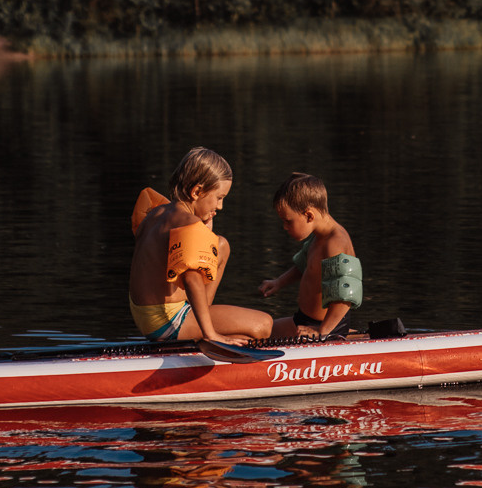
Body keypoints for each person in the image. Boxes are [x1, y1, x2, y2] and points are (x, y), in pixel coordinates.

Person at [129, 147, 274, 344]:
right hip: (168, 322)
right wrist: (211, 334)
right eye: (219, 198)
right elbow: (191, 280)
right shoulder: (188, 224)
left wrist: (203, 230)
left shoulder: (157, 213)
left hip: (146, 317)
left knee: (221, 245)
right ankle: (206, 332)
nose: (220, 206)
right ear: (197, 191)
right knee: (263, 326)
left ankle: (205, 326)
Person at [258, 172, 362, 340]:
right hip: (304, 321)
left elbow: (345, 297)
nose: (284, 227)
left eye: (288, 221)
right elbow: (304, 266)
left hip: (328, 329)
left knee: (257, 335)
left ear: (309, 215)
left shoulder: (335, 243)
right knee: (256, 332)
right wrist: (278, 282)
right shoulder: (318, 237)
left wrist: (322, 332)